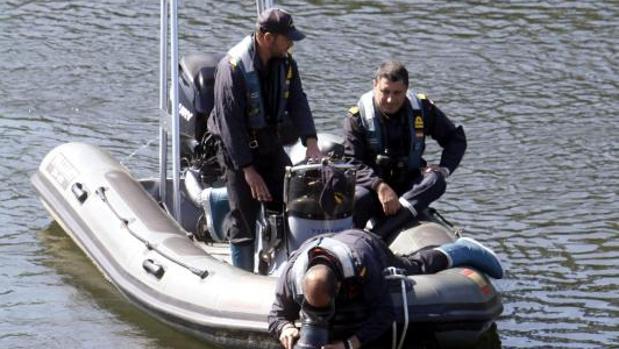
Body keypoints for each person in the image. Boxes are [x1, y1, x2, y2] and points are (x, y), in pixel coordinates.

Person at [207, 8, 322, 271]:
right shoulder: (232, 68)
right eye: (287, 38)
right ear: (267, 37)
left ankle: (283, 267)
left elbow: (297, 100)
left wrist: (311, 141)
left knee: (288, 200)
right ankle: (242, 278)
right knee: (243, 220)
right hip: (235, 149)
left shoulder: (286, 63)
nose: (291, 43)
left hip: (268, 142)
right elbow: (229, 124)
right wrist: (248, 170)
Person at [268, 229, 504, 349]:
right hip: (318, 245)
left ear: (338, 287)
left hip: (362, 242)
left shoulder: (363, 264)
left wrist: (350, 344)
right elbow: (276, 315)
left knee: (414, 266)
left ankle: (461, 250)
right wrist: (284, 328)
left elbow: (384, 313)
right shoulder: (292, 274)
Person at [343, 61, 467, 239]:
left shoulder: (422, 109)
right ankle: (354, 240)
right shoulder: (357, 118)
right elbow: (351, 162)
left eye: (397, 93)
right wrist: (379, 186)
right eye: (385, 92)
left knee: (436, 180)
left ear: (407, 89)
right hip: (373, 189)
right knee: (358, 198)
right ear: (374, 85)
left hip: (409, 188)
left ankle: (381, 232)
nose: (390, 100)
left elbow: (456, 138)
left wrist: (445, 167)